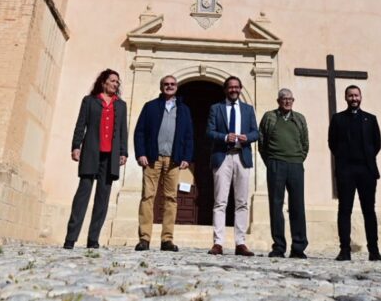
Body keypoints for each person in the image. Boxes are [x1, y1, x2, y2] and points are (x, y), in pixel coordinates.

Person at [63, 68, 128, 249]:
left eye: (117, 82)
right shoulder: (90, 101)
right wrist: (76, 146)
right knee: (82, 194)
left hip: (110, 156)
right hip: (91, 152)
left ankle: (93, 239)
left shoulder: (121, 105)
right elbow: (80, 125)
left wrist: (123, 152)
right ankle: (71, 238)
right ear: (103, 82)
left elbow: (123, 130)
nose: (115, 84)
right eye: (113, 81)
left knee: (102, 198)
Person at [132, 75, 194, 252]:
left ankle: (167, 239)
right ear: (161, 87)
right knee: (147, 197)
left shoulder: (184, 110)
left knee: (171, 198)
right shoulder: (150, 106)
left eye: (172, 84)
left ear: (176, 87)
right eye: (166, 84)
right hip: (152, 158)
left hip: (173, 160)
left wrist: (186, 157)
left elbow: (189, 135)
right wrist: (141, 153)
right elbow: (140, 132)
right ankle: (144, 238)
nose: (169, 86)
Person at [328, 84, 381, 262]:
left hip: (366, 170)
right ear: (346, 98)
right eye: (350, 96)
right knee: (344, 210)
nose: (354, 99)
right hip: (346, 170)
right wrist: (344, 159)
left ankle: (374, 251)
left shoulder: (370, 119)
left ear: (361, 97)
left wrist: (366, 158)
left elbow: (376, 144)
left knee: (369, 210)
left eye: (356, 95)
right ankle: (344, 249)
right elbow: (332, 143)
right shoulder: (338, 119)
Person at [205, 76, 259, 256]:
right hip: (223, 157)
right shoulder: (216, 108)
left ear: (240, 88)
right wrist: (223, 137)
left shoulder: (248, 109)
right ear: (226, 89)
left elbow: (256, 132)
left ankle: (240, 243)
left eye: (236, 87)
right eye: (230, 87)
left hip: (241, 157)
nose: (234, 90)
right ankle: (218, 243)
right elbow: (209, 131)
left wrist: (248, 137)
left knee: (242, 202)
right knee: (220, 201)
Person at [258, 88, 309, 259]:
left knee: (297, 206)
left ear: (293, 101)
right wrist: (271, 160)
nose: (287, 101)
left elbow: (305, 143)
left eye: (290, 99)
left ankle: (298, 247)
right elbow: (262, 142)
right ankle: (279, 246)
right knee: (275, 205)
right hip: (276, 164)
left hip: (295, 164)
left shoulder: (299, 119)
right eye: (284, 99)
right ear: (278, 101)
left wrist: (299, 158)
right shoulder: (269, 117)